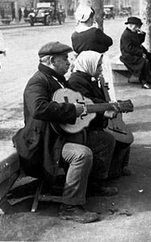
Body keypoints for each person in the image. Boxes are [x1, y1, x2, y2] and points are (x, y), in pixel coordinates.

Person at [12, 41, 117, 224]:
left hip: (61, 136)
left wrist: (101, 110)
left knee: (104, 140)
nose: (69, 63)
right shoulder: (38, 81)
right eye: (64, 59)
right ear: (52, 60)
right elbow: (38, 108)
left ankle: (92, 185)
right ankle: (70, 207)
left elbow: (80, 102)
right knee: (81, 155)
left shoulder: (58, 79)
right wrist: (71, 110)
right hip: (45, 142)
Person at [68, 50, 131, 179]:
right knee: (109, 139)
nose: (101, 69)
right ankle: (101, 179)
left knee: (122, 137)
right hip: (86, 123)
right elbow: (89, 102)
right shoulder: (76, 81)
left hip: (93, 118)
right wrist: (106, 110)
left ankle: (117, 168)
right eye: (98, 66)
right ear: (88, 64)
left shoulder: (87, 78)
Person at [71, 5, 115, 99]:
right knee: (106, 86)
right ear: (90, 18)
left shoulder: (74, 35)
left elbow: (76, 49)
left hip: (83, 65)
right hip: (98, 62)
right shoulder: (94, 32)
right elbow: (109, 42)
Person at [120, 16, 151, 89]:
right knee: (144, 62)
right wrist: (141, 53)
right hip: (128, 55)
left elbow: (139, 42)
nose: (138, 28)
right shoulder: (126, 35)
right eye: (137, 26)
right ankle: (144, 82)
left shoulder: (133, 32)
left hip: (135, 52)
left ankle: (149, 78)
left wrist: (142, 34)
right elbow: (128, 48)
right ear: (131, 25)